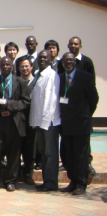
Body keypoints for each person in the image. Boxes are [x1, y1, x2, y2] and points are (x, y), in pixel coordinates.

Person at [0, 57, 30, 192]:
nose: (5, 67)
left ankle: (10, 181)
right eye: (2, 64)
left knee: (13, 153)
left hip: (14, 121)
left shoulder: (20, 82)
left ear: (12, 66)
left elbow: (25, 103)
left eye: (8, 64)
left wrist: (9, 104)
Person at [59, 52, 99, 195]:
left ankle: (81, 184)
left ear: (75, 62)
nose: (68, 62)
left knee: (81, 156)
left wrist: (85, 115)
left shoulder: (85, 77)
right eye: (65, 60)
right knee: (68, 155)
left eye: (71, 60)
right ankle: (73, 181)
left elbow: (94, 99)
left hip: (81, 124)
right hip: (66, 124)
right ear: (62, 62)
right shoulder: (60, 78)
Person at [30, 50, 61, 192]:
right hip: (40, 122)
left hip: (49, 122)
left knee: (50, 153)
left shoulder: (52, 75)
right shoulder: (37, 74)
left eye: (45, 57)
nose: (42, 59)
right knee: (43, 153)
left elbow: (50, 100)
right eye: (40, 57)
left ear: (50, 59)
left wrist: (45, 122)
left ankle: (51, 183)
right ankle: (46, 181)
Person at [16, 56, 37, 185]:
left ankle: (28, 174)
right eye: (22, 66)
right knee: (17, 148)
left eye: (26, 66)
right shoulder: (16, 82)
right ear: (18, 68)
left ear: (31, 67)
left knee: (30, 149)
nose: (24, 68)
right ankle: (17, 173)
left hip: (32, 120)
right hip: (18, 120)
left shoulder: (37, 81)